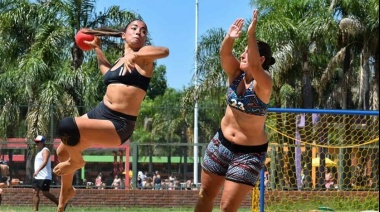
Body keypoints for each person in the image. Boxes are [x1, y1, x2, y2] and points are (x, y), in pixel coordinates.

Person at [53, 19, 169, 211]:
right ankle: (67, 190)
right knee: (61, 151)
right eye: (134, 28)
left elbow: (164, 51)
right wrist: (98, 50)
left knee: (67, 125)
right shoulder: (120, 62)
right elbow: (107, 73)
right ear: (123, 35)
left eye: (143, 30)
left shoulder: (145, 59)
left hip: (119, 124)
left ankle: (77, 161)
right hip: (100, 111)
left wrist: (136, 56)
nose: (139, 32)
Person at [194, 10, 275, 212]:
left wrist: (251, 34)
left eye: (247, 51)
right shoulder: (235, 74)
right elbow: (224, 54)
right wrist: (229, 38)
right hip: (221, 143)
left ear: (261, 58)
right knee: (205, 195)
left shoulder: (264, 83)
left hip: (249, 153)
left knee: (227, 207)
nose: (242, 54)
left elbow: (255, 67)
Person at [32, 135, 59, 211]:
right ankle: (35, 210)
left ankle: (59, 203)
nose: (36, 143)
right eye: (36, 142)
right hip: (37, 177)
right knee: (35, 192)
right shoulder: (39, 152)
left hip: (45, 177)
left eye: (38, 142)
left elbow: (45, 161)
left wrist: (37, 171)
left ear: (42, 142)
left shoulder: (45, 150)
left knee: (45, 193)